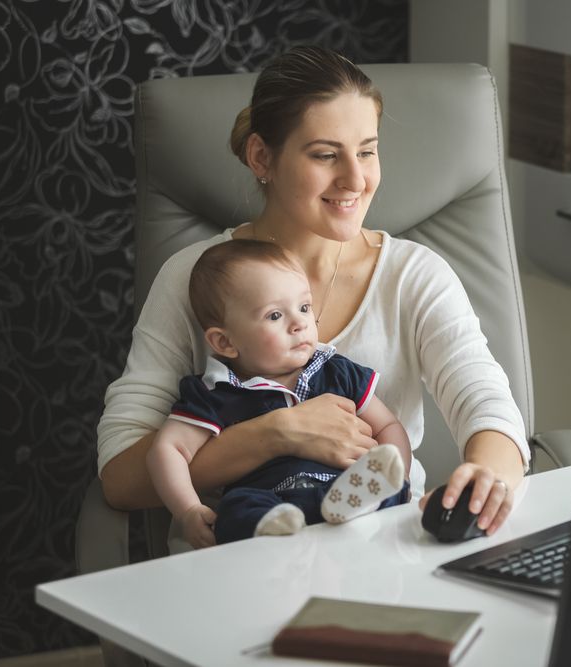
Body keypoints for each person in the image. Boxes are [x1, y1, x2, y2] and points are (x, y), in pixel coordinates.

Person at [97, 45, 529, 551]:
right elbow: (121, 476)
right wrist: (276, 433)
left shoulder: (414, 276)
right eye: (326, 155)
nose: (355, 179)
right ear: (262, 157)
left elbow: (488, 406)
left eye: (366, 150)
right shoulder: (192, 278)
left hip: (384, 555)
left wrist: (483, 475)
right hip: (240, 559)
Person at [147, 239, 412, 548]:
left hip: (344, 488)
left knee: (387, 487)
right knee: (235, 509)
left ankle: (352, 504)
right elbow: (167, 450)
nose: (300, 323)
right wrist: (188, 510)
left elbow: (388, 426)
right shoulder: (217, 391)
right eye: (275, 315)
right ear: (224, 343)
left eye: (304, 307)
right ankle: (275, 526)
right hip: (270, 500)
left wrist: (400, 474)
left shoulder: (336, 371)